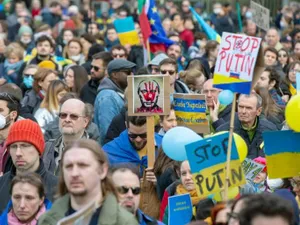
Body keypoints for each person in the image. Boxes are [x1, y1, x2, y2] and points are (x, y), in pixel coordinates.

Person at [38, 139, 138, 225]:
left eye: (83, 165)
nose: (74, 173)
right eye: (69, 166)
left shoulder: (124, 222)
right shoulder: (47, 220)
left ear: (102, 170)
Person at [0, 119, 58, 213]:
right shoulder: (1, 185)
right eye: (14, 147)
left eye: (25, 146)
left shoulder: (59, 189)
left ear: (39, 149)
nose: (18, 153)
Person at [217, 92, 277, 159]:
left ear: (258, 111)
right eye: (241, 107)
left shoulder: (270, 130)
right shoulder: (223, 131)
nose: (243, 111)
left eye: (248, 108)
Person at [43, 98, 90, 175]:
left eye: (74, 116)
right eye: (63, 115)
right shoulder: (46, 148)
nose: (67, 120)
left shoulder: (94, 153)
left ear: (85, 122)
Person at [94, 58, 136, 145]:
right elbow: (108, 132)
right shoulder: (107, 96)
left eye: (132, 72)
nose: (132, 75)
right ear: (115, 74)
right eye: (127, 72)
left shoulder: (115, 93)